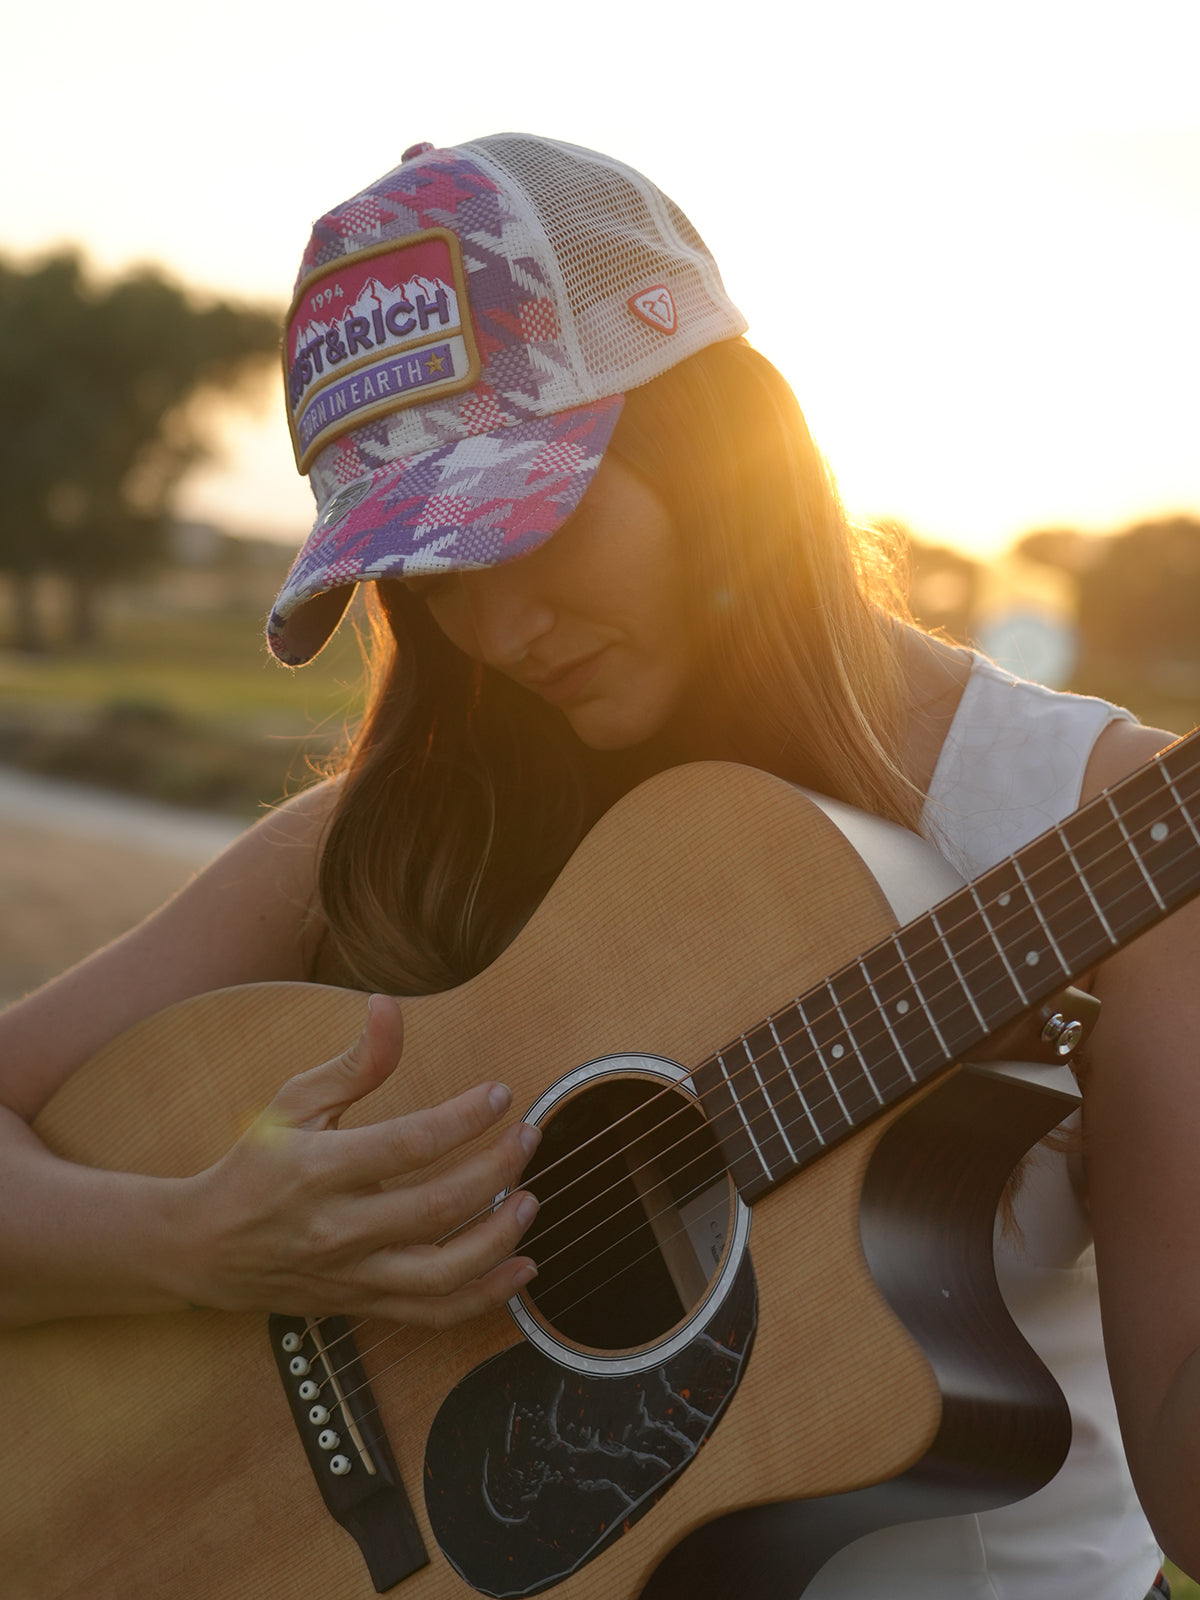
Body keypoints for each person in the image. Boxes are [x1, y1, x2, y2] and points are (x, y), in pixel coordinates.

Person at [0, 133, 1196, 1599]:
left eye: (534, 525)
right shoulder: (396, 837)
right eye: (428, 573)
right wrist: (195, 1240)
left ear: (711, 444)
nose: (499, 632)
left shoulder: (1097, 825)